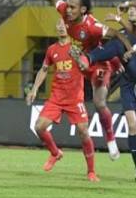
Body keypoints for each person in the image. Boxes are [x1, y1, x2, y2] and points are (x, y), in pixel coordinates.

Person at [71, 0, 136, 195]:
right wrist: (121, 22)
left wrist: (128, 4)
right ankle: (88, 58)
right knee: (118, 44)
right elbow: (135, 34)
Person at [27, 0, 132, 161]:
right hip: (80, 62)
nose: (68, 10)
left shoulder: (92, 26)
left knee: (99, 102)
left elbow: (116, 34)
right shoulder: (65, 13)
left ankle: (111, 140)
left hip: (97, 63)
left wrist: (127, 53)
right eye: (67, 6)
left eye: (72, 7)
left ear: (83, 10)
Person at [25, 20, 99, 182]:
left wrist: (78, 58)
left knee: (83, 131)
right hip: (56, 97)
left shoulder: (77, 47)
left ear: (69, 28)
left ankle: (91, 171)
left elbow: (86, 68)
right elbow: (44, 70)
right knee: (39, 127)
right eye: (57, 24)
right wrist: (34, 89)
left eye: (63, 24)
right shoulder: (52, 50)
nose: (60, 27)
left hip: (75, 98)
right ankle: (55, 153)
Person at [105, 6, 136, 181]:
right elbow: (112, 52)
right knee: (132, 126)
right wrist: (117, 61)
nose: (133, 11)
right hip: (127, 84)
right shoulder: (121, 33)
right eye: (131, 9)